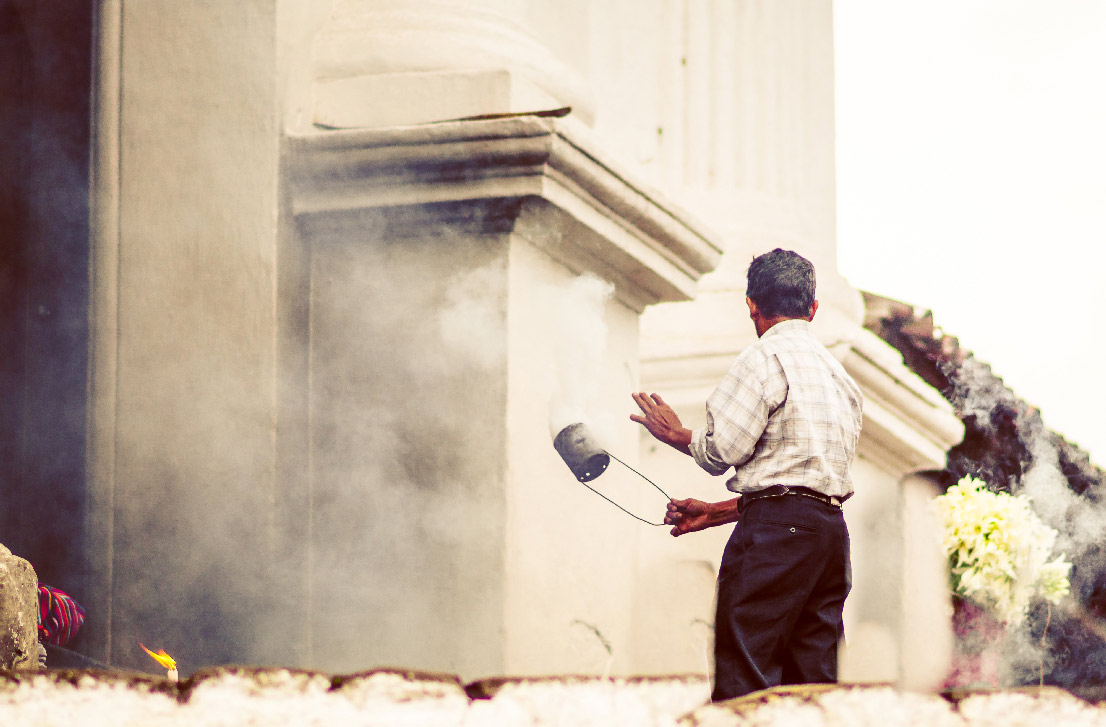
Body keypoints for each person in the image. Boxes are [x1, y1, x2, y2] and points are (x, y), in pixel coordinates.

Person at [630, 248, 863, 701]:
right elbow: (807, 485)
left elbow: (723, 452)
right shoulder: (841, 378)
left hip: (777, 537)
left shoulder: (762, 359)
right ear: (812, 309)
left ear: (751, 305)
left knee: (747, 675)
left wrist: (676, 434)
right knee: (813, 683)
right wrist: (716, 512)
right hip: (830, 536)